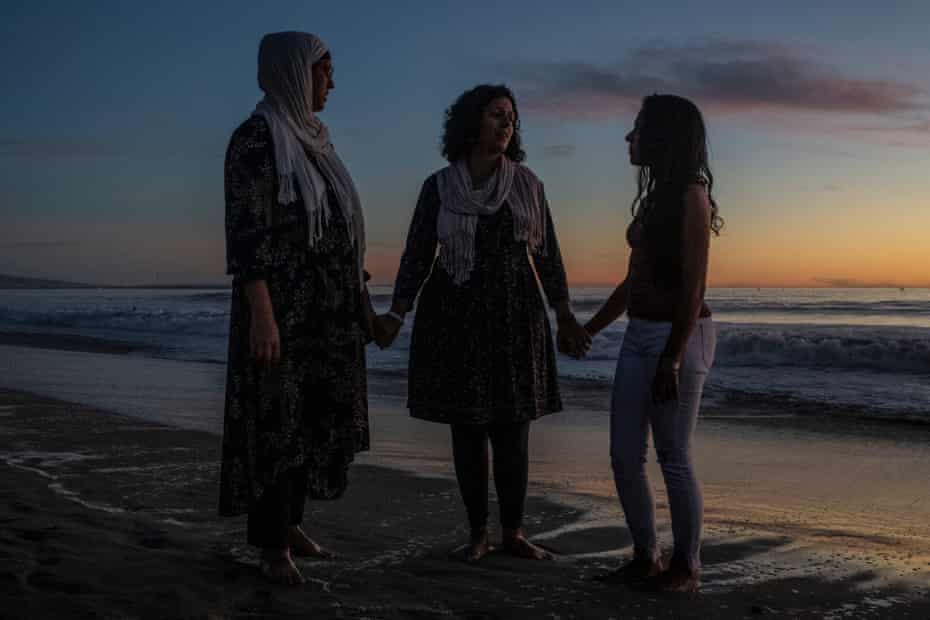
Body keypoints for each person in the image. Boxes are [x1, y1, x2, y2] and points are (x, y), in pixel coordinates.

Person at [377, 84, 591, 562]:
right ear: (472, 122)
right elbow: (416, 255)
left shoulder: (527, 185)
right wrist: (396, 313)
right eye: (497, 115)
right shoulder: (439, 187)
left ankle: (513, 533)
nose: (506, 123)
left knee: (513, 430)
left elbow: (548, 256)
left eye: (511, 117)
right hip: (454, 318)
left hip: (516, 317)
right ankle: (477, 533)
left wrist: (564, 316)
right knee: (468, 431)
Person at [219, 31, 373, 585]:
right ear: (292, 72)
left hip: (327, 312)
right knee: (276, 423)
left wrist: (358, 297)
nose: (331, 81)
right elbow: (247, 233)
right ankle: (270, 545)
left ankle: (290, 525)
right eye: (323, 70)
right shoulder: (256, 139)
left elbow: (339, 231)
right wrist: (262, 312)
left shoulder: (317, 144)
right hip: (282, 310)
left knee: (310, 421)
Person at [585, 94, 722, 592]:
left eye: (637, 128)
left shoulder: (691, 194)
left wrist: (673, 356)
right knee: (624, 454)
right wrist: (590, 328)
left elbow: (694, 287)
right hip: (639, 333)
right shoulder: (656, 197)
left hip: (679, 337)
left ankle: (686, 568)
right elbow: (632, 282)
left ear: (662, 136)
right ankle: (647, 556)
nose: (629, 137)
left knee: (673, 455)